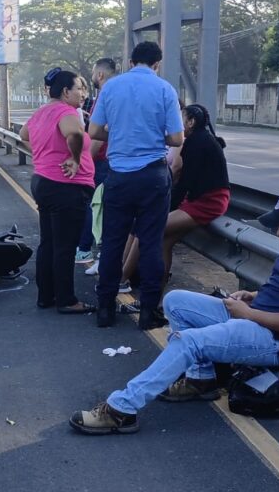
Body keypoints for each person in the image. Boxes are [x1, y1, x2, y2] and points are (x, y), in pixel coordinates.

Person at [70, 190, 279, 434]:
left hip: (278, 340)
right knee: (176, 301)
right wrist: (254, 296)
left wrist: (248, 313)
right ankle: (200, 379)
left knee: (189, 341)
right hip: (256, 316)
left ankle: (121, 410)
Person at [88, 41, 184, 330]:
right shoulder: (165, 89)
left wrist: (120, 134)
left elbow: (93, 131)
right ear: (157, 64)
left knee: (113, 243)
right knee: (151, 243)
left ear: (130, 61)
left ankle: (105, 309)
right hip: (153, 177)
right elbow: (178, 139)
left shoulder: (111, 88)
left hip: (118, 176)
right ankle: (148, 312)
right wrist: (155, 137)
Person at [119, 103, 230, 296]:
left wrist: (164, 208)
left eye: (180, 120)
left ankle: (121, 280)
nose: (174, 125)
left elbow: (185, 182)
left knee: (147, 228)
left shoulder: (197, 143)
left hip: (208, 202)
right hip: (199, 199)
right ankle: (156, 297)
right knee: (164, 241)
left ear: (191, 122)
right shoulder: (199, 139)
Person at [19, 70, 97, 314]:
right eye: (78, 89)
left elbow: (23, 136)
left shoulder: (41, 113)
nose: (82, 94)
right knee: (64, 245)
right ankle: (66, 300)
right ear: (65, 91)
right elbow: (73, 134)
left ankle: (46, 295)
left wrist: (44, 155)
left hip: (44, 181)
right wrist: (73, 159)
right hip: (65, 187)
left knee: (49, 242)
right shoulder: (65, 112)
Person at [77, 58, 118, 268]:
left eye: (94, 73)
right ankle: (99, 254)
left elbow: (94, 136)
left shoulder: (104, 96)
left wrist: (84, 162)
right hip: (115, 161)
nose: (92, 77)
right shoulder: (120, 93)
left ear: (100, 74)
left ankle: (86, 250)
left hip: (101, 161)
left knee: (95, 208)